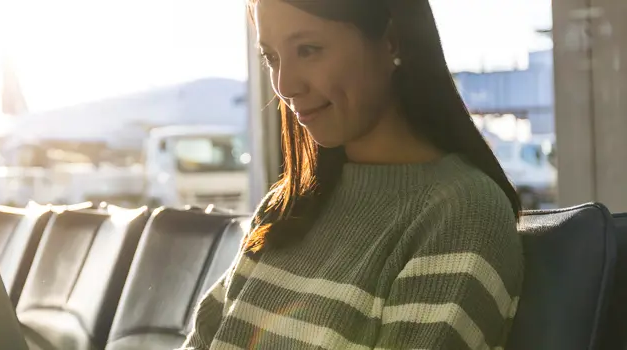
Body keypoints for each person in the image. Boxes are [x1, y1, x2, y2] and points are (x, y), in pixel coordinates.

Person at [182, 0, 523, 349]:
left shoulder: (462, 214)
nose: (285, 85)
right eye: (271, 58)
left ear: (391, 40)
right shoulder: (286, 206)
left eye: (308, 50)